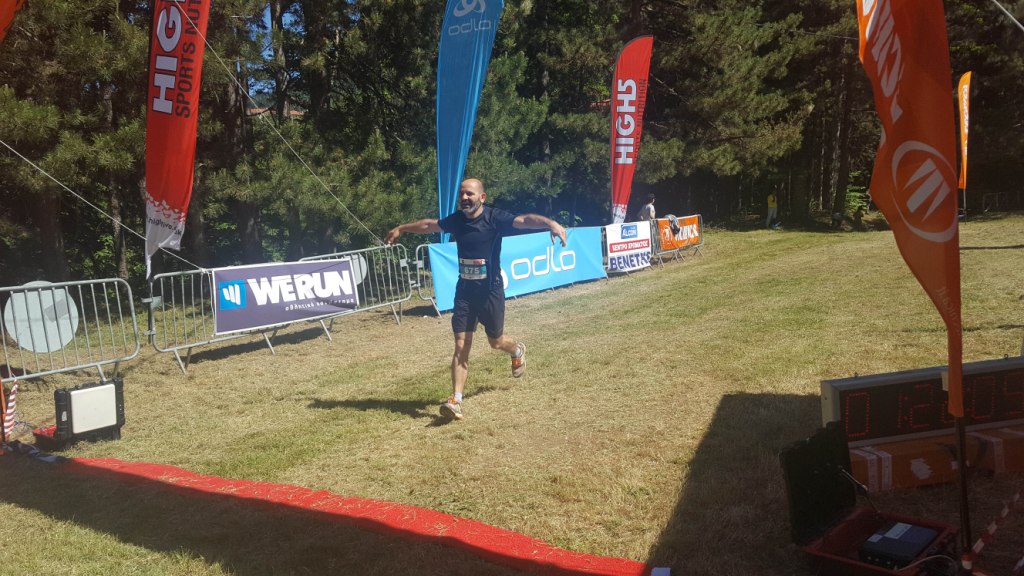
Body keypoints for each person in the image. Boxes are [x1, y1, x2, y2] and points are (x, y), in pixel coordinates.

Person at [385, 178, 567, 421]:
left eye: (469, 194)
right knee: (462, 344)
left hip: (490, 291)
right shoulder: (457, 220)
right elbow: (429, 225)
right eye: (462, 194)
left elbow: (524, 220)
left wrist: (551, 224)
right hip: (465, 291)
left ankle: (517, 349)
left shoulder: (494, 218)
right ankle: (456, 400)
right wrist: (402, 228)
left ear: (482, 197)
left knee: (496, 342)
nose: (464, 198)